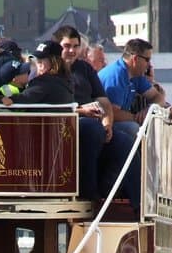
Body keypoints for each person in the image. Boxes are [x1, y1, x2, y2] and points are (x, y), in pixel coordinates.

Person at [53, 26, 141, 211]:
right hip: (63, 126)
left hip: (94, 123)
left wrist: (108, 123)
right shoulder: (49, 69)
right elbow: (48, 105)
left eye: (75, 46)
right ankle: (89, 194)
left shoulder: (84, 69)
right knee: (91, 130)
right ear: (56, 45)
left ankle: (135, 204)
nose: (72, 51)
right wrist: (81, 111)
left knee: (125, 142)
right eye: (67, 46)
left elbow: (104, 101)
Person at [98, 39, 172, 139]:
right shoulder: (116, 76)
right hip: (102, 125)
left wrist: (149, 109)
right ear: (135, 59)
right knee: (133, 128)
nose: (149, 65)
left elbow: (157, 96)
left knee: (151, 126)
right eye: (147, 60)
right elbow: (112, 113)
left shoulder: (136, 75)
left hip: (116, 123)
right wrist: (138, 117)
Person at [0, 41, 73, 106]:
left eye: (40, 61)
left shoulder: (44, 82)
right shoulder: (66, 80)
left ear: (54, 62)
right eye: (37, 61)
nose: (38, 65)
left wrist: (0, 99)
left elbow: (25, 98)